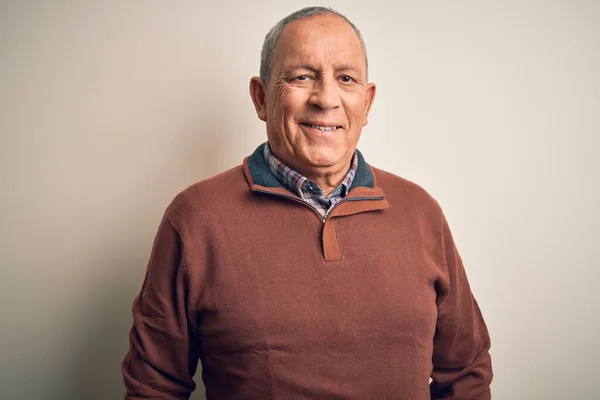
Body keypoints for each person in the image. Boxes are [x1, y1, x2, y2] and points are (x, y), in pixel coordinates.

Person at [122, 6, 493, 400]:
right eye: (302, 77)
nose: (326, 99)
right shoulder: (195, 219)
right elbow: (154, 388)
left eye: (346, 79)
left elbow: (466, 373)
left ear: (366, 104)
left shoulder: (421, 213)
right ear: (261, 97)